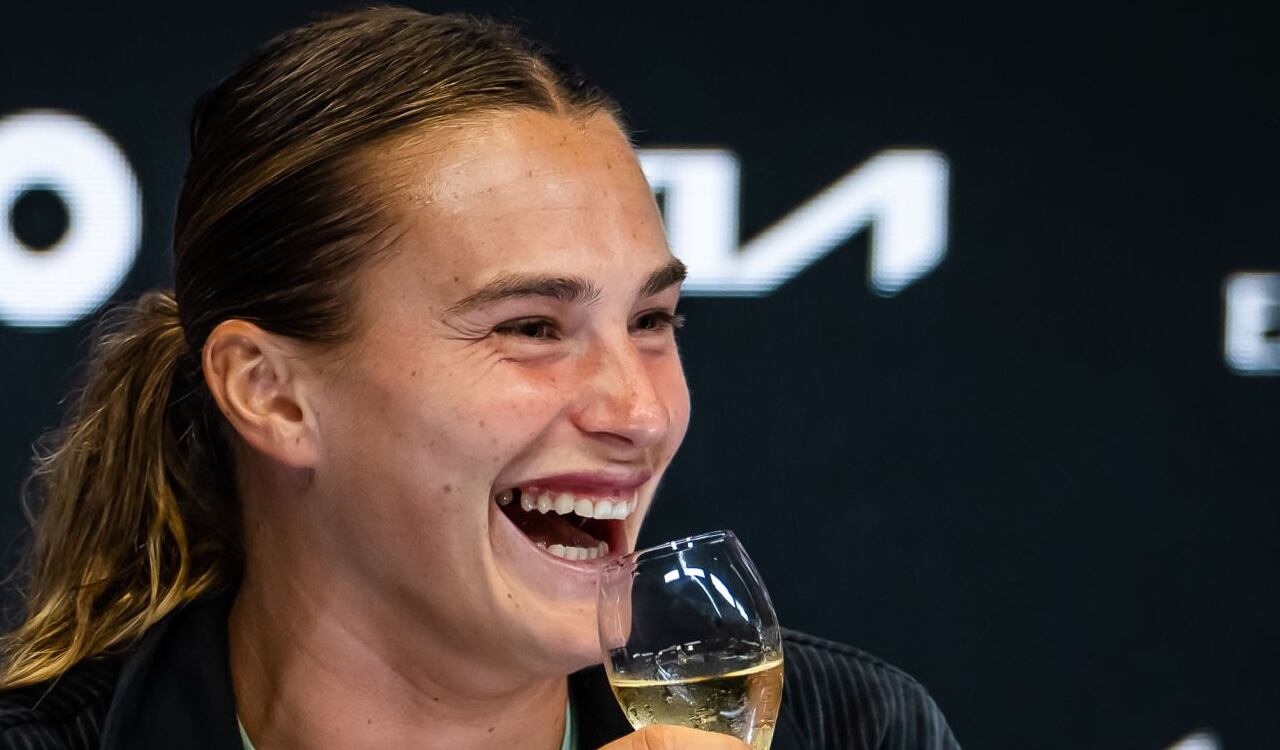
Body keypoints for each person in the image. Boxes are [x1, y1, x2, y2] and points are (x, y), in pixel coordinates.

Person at [0, 8, 960, 749]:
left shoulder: (853, 729)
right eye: (533, 327)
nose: (639, 411)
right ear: (272, 392)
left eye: (652, 321)